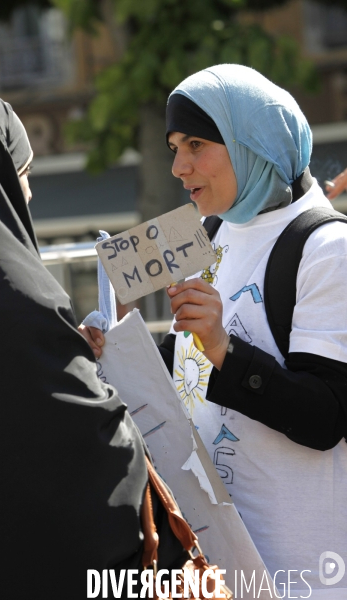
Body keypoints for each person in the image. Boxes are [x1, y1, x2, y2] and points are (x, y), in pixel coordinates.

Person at [85, 64, 347, 598]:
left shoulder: (327, 249)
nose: (180, 166)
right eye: (174, 147)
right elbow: (191, 363)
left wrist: (224, 349)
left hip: (305, 569)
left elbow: (327, 417)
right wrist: (116, 345)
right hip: (214, 567)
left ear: (255, 142)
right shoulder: (209, 229)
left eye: (198, 144)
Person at [0, 90, 187, 599]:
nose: (29, 192)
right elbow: (90, 446)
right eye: (23, 170)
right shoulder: (13, 293)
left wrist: (64, 355)